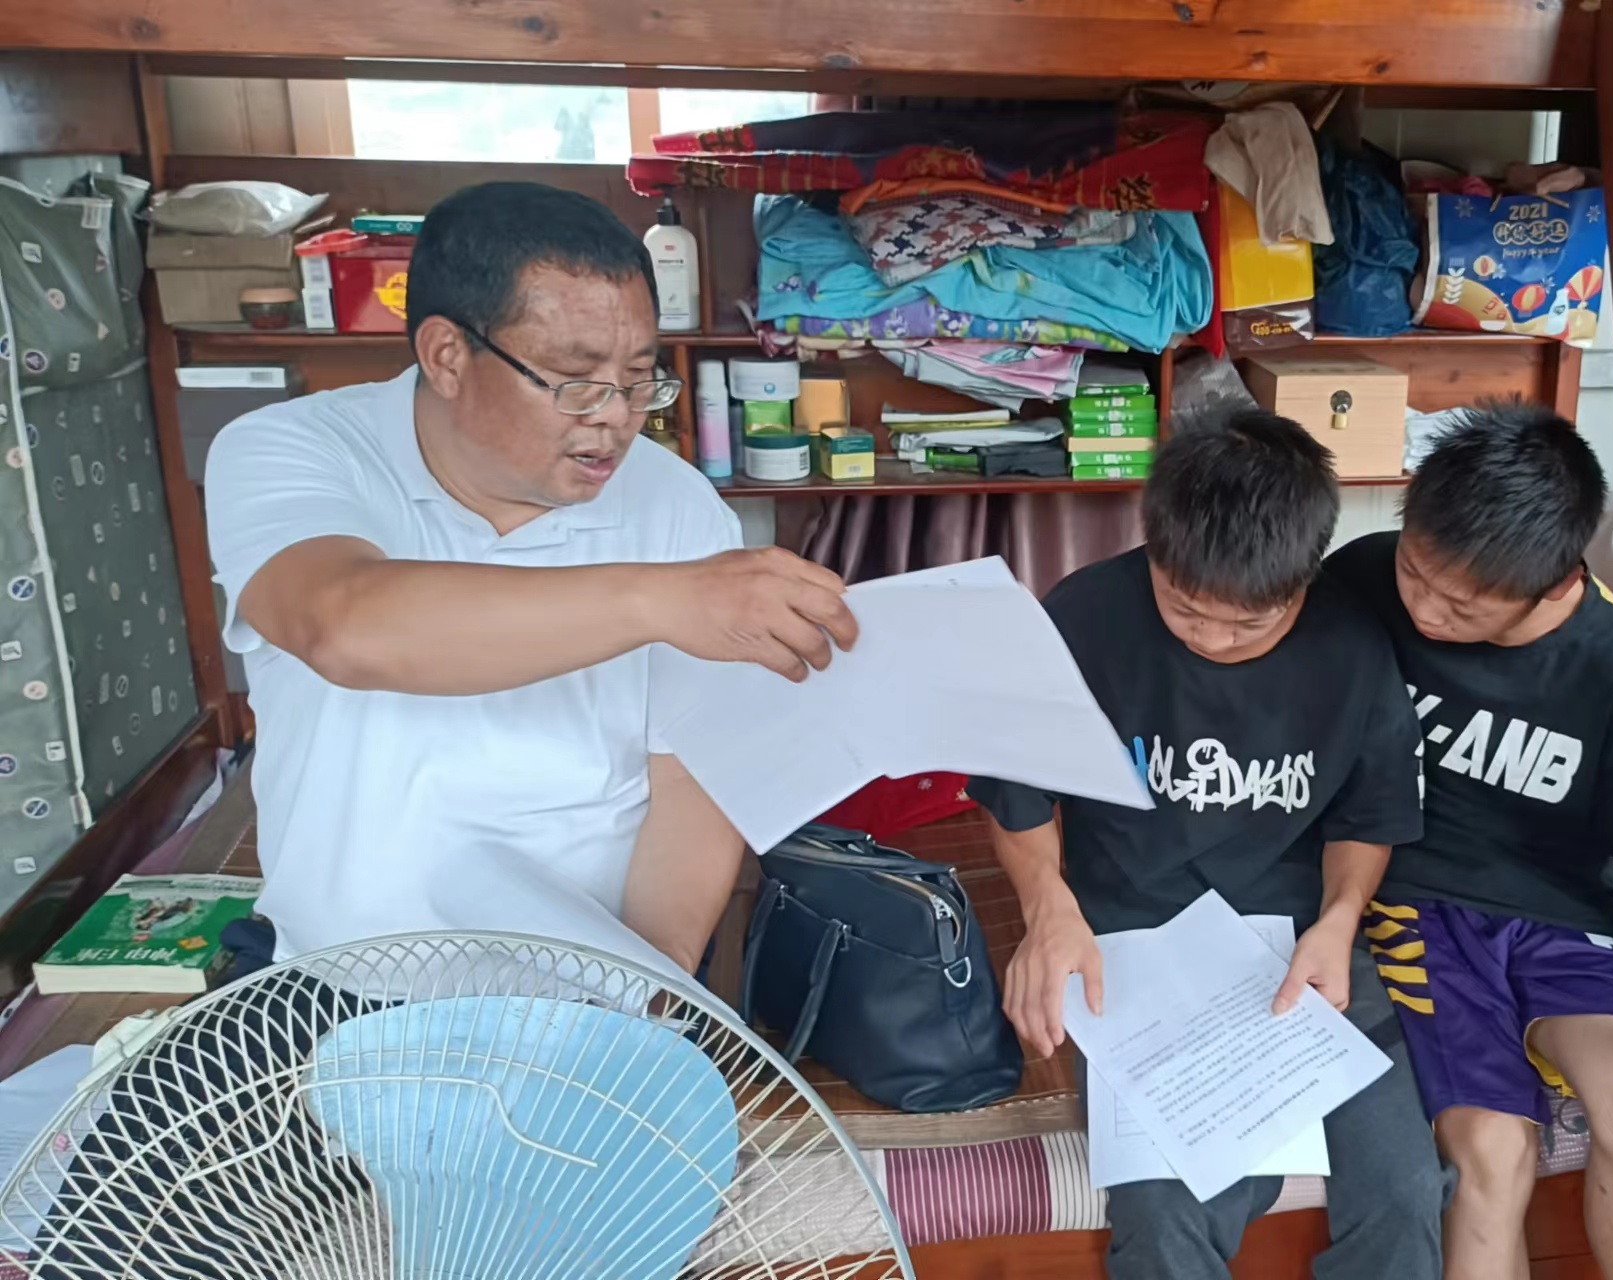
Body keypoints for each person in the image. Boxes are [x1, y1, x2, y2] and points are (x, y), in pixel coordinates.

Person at [204, 181, 858, 971]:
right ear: (447, 356)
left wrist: (658, 973)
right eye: (575, 379)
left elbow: (690, 773)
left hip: (594, 971)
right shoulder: (293, 449)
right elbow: (342, 624)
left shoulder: (674, 500)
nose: (616, 415)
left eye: (639, 378)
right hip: (344, 971)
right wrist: (664, 597)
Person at [967, 410, 1446, 1280]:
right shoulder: (1085, 616)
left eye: (1249, 625)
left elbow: (1369, 815)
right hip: (1129, 945)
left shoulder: (1350, 645)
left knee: (1408, 1191)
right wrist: (1048, 908)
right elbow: (1015, 788)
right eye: (1185, 610)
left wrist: (1340, 919)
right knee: (1164, 1216)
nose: (1212, 639)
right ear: (1153, 549)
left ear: (1302, 583)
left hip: (1296, 950)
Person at [1323, 401, 1613, 1280]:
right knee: (1491, 1146)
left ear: (1557, 586)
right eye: (1416, 573)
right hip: (1414, 904)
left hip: (1565, 914)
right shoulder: (1362, 579)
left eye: (1463, 605)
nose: (1425, 610)